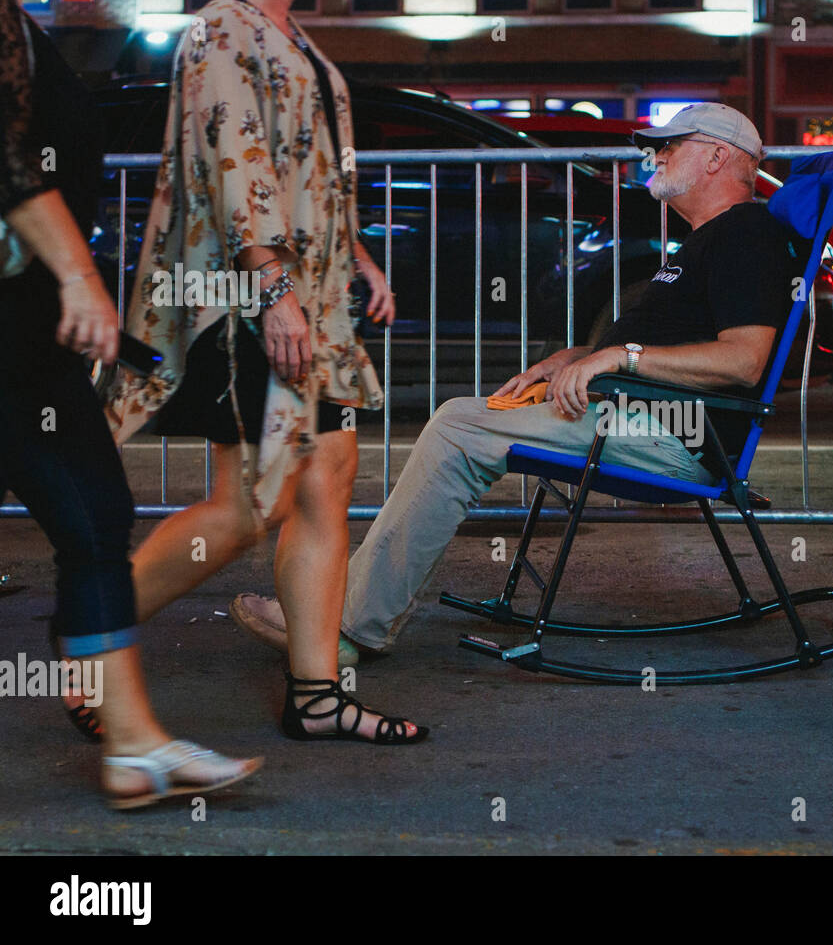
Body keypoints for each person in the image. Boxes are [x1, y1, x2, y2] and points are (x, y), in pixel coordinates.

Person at [230, 102, 804, 660]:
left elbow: (743, 361)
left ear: (715, 157)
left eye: (668, 145)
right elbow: (672, 338)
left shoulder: (744, 233)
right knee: (467, 417)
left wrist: (620, 358)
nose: (653, 156)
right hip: (636, 414)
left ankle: (343, 626)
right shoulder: (706, 238)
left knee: (458, 427)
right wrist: (572, 357)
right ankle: (342, 611)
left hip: (675, 433)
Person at [106, 0, 425, 744]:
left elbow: (305, 166)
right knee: (252, 506)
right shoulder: (224, 24)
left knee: (327, 482)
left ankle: (316, 697)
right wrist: (273, 289)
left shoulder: (291, 34)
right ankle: (90, 636)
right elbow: (234, 157)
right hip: (247, 299)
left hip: (307, 298)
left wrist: (355, 257)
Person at [0, 0, 260, 807]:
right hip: (16, 334)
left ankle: (133, 745)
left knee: (96, 522)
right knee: (92, 521)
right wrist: (80, 279)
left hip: (29, 336)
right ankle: (135, 746)